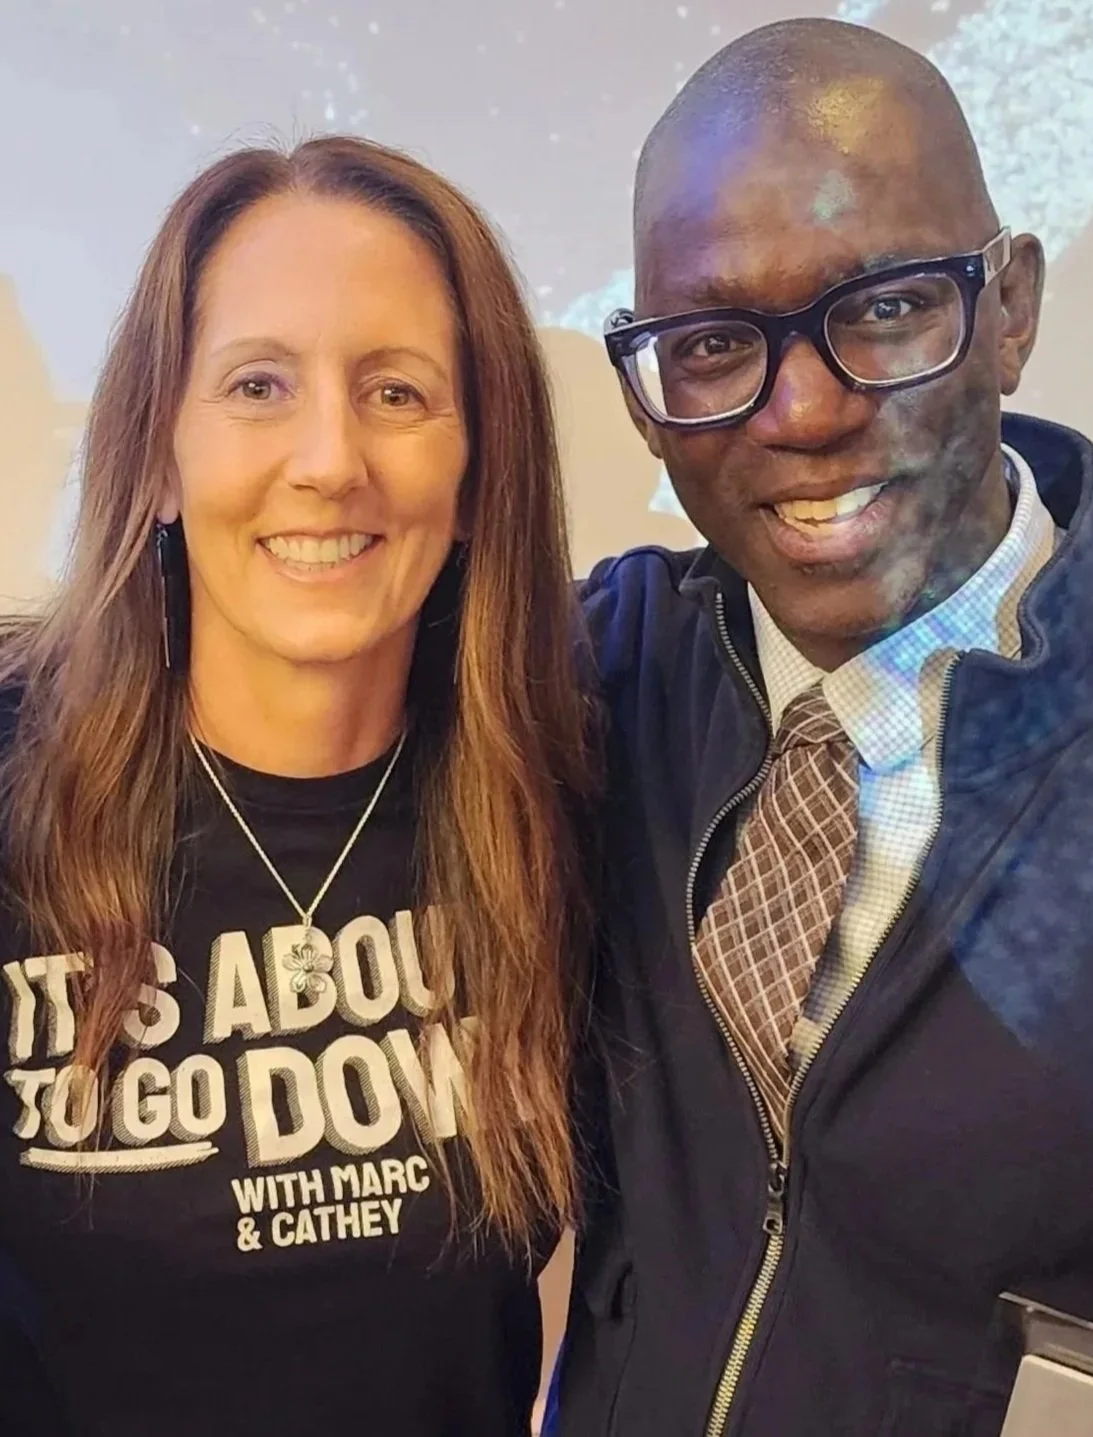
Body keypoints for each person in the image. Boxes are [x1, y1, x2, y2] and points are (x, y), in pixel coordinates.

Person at [550, 17, 1093, 1437]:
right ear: (646, 396)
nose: (807, 412)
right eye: (713, 344)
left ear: (1011, 309)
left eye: (884, 308)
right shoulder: (598, 680)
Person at [0, 135, 598, 1436]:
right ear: (159, 456)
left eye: (397, 392)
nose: (330, 459)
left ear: (476, 470)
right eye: (258, 385)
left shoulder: (567, 807)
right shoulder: (13, 784)